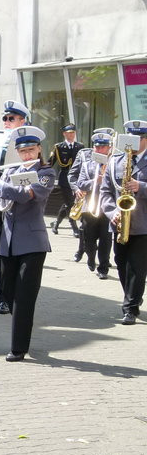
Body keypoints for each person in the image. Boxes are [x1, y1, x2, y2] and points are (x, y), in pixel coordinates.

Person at [0, 126, 55, 361]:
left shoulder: (46, 173)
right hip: (8, 243)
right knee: (8, 293)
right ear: (17, 152)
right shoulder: (10, 172)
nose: (27, 155)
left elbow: (26, 195)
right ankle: (22, 331)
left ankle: (19, 347)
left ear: (39, 150)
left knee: (24, 297)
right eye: (22, 151)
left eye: (31, 150)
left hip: (33, 244)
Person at [0, 100, 30, 314]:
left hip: (16, 210)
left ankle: (8, 296)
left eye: (12, 119)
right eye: (5, 118)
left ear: (22, 121)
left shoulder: (28, 145)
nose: (7, 122)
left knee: (10, 255)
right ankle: (4, 292)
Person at [100, 120, 147, 325]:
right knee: (120, 264)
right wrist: (112, 212)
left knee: (136, 267)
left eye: (138, 139)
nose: (133, 144)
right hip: (119, 223)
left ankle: (130, 308)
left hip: (144, 224)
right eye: (130, 139)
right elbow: (105, 192)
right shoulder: (115, 161)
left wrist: (141, 186)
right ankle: (132, 296)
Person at [76, 132, 114, 279]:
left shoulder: (113, 164)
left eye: (103, 147)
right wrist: (95, 181)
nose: (99, 150)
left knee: (106, 239)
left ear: (109, 148)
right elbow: (81, 183)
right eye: (97, 147)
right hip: (89, 207)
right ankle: (91, 257)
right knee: (88, 238)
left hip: (106, 207)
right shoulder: (87, 165)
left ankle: (103, 268)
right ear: (93, 148)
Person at [50, 123, 84, 237]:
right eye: (69, 133)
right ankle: (74, 227)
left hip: (76, 179)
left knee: (68, 203)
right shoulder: (59, 147)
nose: (72, 135)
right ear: (64, 134)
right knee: (70, 204)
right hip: (64, 179)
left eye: (73, 133)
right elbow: (51, 162)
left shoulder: (80, 147)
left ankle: (56, 223)